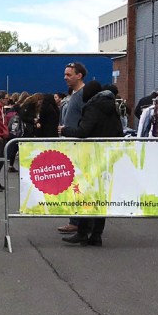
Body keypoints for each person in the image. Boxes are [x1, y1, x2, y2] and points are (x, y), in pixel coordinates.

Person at [60, 81, 123, 245]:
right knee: (101, 196)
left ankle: (82, 231)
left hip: (90, 155)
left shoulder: (92, 107)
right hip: (107, 155)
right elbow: (119, 132)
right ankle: (96, 235)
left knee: (85, 194)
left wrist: (65, 130)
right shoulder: (112, 107)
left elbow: (83, 131)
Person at [56, 63, 88, 236]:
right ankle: (75, 220)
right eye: (65, 74)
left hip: (79, 146)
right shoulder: (73, 95)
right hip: (70, 143)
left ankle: (78, 221)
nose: (65, 77)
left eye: (69, 74)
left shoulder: (83, 95)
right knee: (72, 183)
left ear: (79, 75)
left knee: (78, 184)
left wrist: (69, 130)